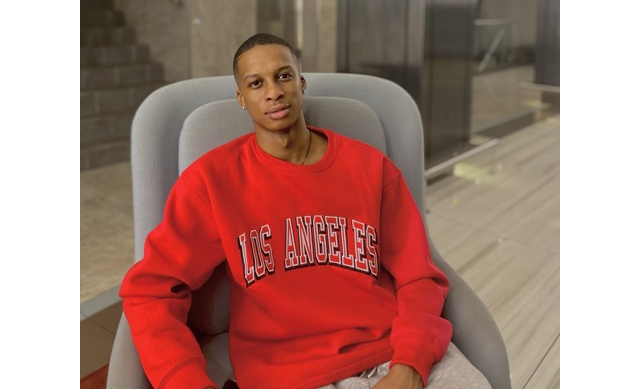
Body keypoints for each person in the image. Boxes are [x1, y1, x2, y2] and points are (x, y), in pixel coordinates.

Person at [120, 33, 491, 389]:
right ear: (241, 99)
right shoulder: (211, 182)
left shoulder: (371, 168)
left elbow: (419, 276)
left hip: (391, 350)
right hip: (287, 374)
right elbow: (152, 290)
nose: (274, 91)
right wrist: (186, 382)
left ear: (301, 83)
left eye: (283, 76)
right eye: (256, 83)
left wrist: (409, 365)